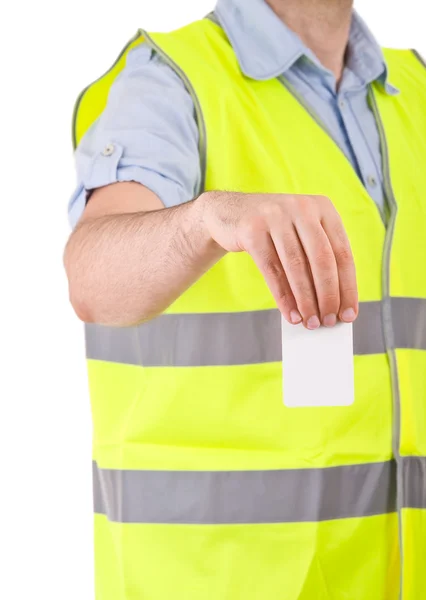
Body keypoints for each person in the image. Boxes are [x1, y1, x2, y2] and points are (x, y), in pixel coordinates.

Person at [64, 0, 426, 598]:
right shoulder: (171, 81)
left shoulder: (412, 92)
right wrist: (206, 218)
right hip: (218, 579)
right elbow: (94, 278)